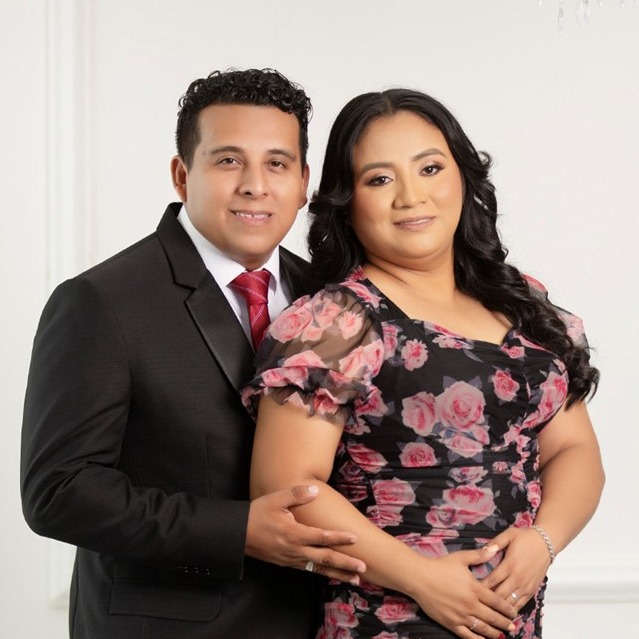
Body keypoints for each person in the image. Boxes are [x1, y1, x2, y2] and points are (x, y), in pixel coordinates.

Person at [243, 88, 604, 639]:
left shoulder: (523, 304)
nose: (411, 197)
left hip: (511, 621)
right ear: (347, 203)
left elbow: (574, 450)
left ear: (463, 177)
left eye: (430, 169)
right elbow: (286, 487)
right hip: (387, 620)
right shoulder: (336, 321)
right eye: (379, 179)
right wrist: (422, 579)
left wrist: (542, 542)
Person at [20, 68, 366, 639]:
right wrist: (237, 531)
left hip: (316, 623)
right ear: (183, 175)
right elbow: (59, 491)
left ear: (304, 180)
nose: (255, 185)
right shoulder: (100, 301)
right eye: (228, 160)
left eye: (277, 164)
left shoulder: (333, 299)